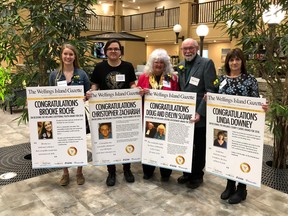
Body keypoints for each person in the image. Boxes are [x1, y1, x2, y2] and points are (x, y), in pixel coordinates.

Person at [218, 48, 268, 204]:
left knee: (241, 154)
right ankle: (230, 185)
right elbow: (216, 99)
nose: (234, 62)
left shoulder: (250, 79)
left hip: (243, 127)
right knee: (228, 154)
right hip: (225, 125)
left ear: (242, 61)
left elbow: (255, 102)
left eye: (237, 59)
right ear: (228, 62)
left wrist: (262, 107)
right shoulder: (221, 79)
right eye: (231, 60)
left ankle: (242, 189)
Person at [89, 39, 136, 187]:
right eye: (110, 49)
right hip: (106, 110)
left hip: (124, 111)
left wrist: (136, 90)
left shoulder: (128, 66)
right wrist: (92, 92)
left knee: (125, 138)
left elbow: (132, 84)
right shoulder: (99, 67)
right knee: (108, 140)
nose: (113, 51)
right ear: (106, 51)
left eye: (116, 49)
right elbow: (95, 84)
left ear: (120, 51)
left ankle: (127, 169)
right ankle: (111, 172)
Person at [176, 38, 218, 189]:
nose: (187, 51)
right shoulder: (180, 65)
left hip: (199, 114)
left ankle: (197, 175)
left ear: (197, 48)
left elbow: (211, 90)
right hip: (185, 114)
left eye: (190, 48)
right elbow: (181, 89)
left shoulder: (207, 63)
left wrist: (200, 112)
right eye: (185, 49)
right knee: (186, 144)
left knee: (199, 146)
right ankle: (187, 172)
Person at [49, 43, 90, 186]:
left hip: (78, 116)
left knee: (80, 142)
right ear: (61, 56)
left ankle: (79, 172)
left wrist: (86, 96)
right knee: (62, 143)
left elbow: (88, 93)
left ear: (75, 57)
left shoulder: (82, 74)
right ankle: (65, 173)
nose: (68, 56)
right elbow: (50, 95)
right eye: (65, 54)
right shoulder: (54, 75)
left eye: (71, 54)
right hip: (61, 117)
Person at [137, 48, 179, 181]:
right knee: (149, 143)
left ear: (165, 64)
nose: (159, 65)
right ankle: (148, 170)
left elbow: (178, 96)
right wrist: (140, 93)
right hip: (147, 117)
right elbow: (137, 96)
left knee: (165, 144)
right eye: (156, 62)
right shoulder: (144, 77)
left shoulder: (172, 78)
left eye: (161, 62)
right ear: (151, 63)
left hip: (166, 117)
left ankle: (165, 171)